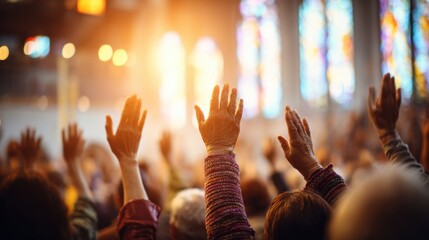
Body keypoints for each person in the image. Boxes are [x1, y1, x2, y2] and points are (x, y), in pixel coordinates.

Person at [0, 125, 97, 240]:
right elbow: (85, 205)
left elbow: (25, 207)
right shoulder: (71, 236)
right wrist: (72, 162)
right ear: (58, 211)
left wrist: (27, 168)